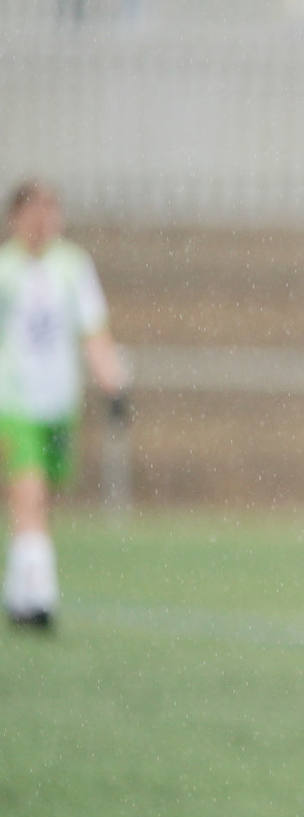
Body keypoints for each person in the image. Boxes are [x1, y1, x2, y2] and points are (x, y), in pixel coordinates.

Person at [0, 179, 128, 629]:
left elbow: (93, 330)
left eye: (50, 210)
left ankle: (19, 589)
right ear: (15, 217)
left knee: (41, 500)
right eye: (34, 210)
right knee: (28, 494)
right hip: (14, 405)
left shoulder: (73, 266)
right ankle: (39, 596)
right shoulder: (5, 270)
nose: (43, 220)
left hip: (58, 404)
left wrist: (112, 381)